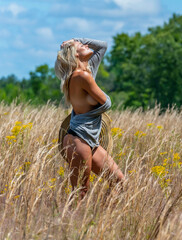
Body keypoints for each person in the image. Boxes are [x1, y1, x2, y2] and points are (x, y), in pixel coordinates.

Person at [55, 38, 124, 199]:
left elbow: (103, 46)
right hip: (79, 140)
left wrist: (76, 40)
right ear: (75, 55)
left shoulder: (87, 71)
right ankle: (72, 222)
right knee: (81, 192)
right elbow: (107, 102)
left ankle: (104, 221)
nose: (86, 45)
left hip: (89, 140)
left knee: (119, 181)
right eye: (81, 45)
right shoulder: (81, 76)